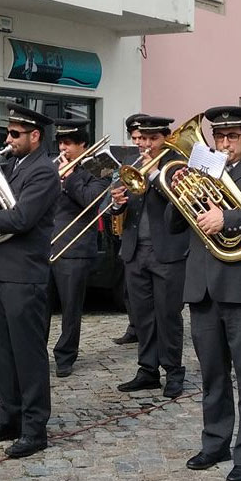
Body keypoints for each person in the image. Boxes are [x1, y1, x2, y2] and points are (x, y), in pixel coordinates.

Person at [168, 106, 241, 481]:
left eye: (232, 137)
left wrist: (228, 218)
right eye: (218, 137)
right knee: (213, 376)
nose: (223, 143)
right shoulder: (202, 170)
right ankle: (216, 442)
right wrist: (178, 189)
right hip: (203, 288)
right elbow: (174, 225)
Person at [0, 104, 61, 459]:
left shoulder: (45, 172)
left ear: (36, 136)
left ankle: (35, 428)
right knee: (1, 354)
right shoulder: (8, 165)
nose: (8, 139)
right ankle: (8, 417)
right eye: (8, 133)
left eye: (15, 134)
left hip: (25, 275)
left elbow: (21, 218)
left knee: (28, 355)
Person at [110, 115, 189, 397]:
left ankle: (174, 371)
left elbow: (183, 204)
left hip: (167, 251)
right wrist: (116, 204)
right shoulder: (131, 164)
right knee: (142, 316)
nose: (145, 144)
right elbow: (120, 207)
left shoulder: (177, 165)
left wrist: (155, 175)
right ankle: (147, 370)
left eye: (152, 139)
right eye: (142, 138)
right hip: (135, 250)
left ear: (165, 138)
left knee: (168, 315)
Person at [47, 118, 110, 377]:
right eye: (61, 142)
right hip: (46, 245)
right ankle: (36, 353)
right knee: (40, 306)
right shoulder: (50, 167)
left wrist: (70, 177)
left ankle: (66, 356)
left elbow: (89, 201)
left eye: (70, 143)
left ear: (83, 144)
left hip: (74, 246)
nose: (64, 148)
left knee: (71, 308)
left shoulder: (100, 168)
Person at [112, 113, 149, 346]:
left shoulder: (165, 161)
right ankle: (134, 326)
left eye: (142, 137)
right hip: (131, 236)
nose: (138, 143)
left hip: (156, 242)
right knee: (130, 290)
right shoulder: (129, 160)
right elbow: (115, 195)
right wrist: (116, 200)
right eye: (135, 138)